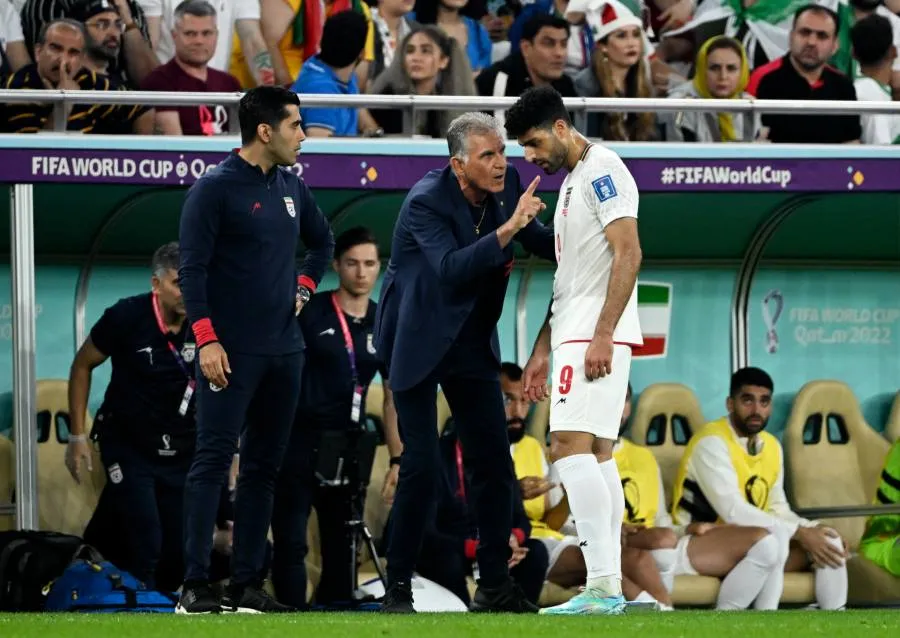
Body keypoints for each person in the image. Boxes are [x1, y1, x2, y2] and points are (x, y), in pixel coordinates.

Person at [373, 111, 556, 613]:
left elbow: (535, 236)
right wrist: (510, 228)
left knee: (494, 461)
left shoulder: (509, 185)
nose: (501, 163)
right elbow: (451, 269)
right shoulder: (425, 201)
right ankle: (398, 589)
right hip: (416, 338)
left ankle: (495, 584)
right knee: (422, 466)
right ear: (458, 165)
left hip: (472, 341)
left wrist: (580, 245)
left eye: (502, 151)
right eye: (488, 156)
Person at [177, 85, 335, 615]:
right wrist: (206, 339)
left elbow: (323, 243)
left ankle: (246, 585)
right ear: (265, 131)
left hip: (284, 353)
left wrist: (305, 287)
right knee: (212, 460)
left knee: (264, 470)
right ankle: (195, 585)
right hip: (229, 352)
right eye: (295, 125)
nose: (303, 135)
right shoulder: (214, 188)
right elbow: (191, 271)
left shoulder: (293, 186)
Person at [506, 85, 643, 615]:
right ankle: (606, 587)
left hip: (593, 334)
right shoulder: (571, 185)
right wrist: (542, 348)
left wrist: (604, 332)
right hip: (578, 331)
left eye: (535, 142)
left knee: (567, 448)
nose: (530, 156)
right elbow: (571, 278)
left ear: (561, 128)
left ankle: (604, 584)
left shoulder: (604, 170)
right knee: (600, 455)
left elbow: (628, 252)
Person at [271, 226, 399, 609]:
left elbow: (393, 397)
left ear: (380, 268)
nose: (362, 273)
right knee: (292, 539)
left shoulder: (384, 320)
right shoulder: (310, 312)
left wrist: (397, 457)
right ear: (337, 266)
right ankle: (291, 618)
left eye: (370, 264)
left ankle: (334, 616)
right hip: (299, 438)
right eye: (352, 264)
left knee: (343, 543)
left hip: (349, 443)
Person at [66, 242, 195, 592]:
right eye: (178, 283)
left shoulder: (208, 323)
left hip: (182, 449)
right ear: (156, 285)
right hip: (128, 446)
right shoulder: (126, 316)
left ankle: (165, 611)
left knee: (177, 551)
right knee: (146, 540)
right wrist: (77, 437)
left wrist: (232, 450)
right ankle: (141, 614)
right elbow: (82, 365)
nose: (189, 292)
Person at [670, 367, 850, 611]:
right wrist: (800, 531)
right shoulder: (711, 442)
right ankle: (736, 618)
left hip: (757, 540)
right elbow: (733, 511)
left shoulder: (772, 446)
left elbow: (778, 509)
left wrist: (811, 528)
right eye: (748, 400)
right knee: (771, 539)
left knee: (828, 540)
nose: (757, 410)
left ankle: (834, 618)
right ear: (730, 404)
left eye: (764, 402)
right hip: (700, 541)